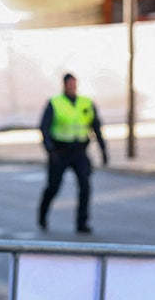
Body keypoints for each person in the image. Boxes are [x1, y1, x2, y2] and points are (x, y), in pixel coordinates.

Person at [37, 72, 109, 234]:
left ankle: (82, 223)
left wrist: (103, 150)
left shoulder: (86, 102)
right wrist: (50, 150)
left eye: (74, 84)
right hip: (60, 152)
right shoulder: (55, 103)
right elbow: (44, 127)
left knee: (85, 186)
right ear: (64, 85)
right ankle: (42, 216)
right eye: (69, 84)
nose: (72, 87)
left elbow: (96, 127)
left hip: (79, 152)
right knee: (53, 187)